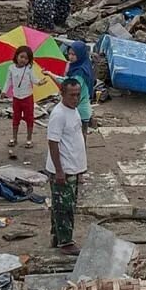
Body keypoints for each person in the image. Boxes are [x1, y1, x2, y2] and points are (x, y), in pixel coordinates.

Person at [45, 75, 89, 253]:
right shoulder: (59, 114)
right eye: (72, 95)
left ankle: (58, 236)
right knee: (64, 207)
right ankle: (66, 242)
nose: (75, 98)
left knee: (65, 204)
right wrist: (59, 171)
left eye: (78, 94)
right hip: (62, 169)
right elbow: (53, 143)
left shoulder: (74, 110)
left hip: (73, 166)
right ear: (63, 94)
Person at [4, 44, 39, 153]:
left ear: (29, 60)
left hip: (27, 97)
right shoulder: (11, 68)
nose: (23, 60)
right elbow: (8, 81)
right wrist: (4, 91)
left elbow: (34, 80)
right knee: (16, 117)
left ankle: (29, 139)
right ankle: (14, 138)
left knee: (29, 117)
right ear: (17, 56)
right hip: (16, 97)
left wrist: (40, 82)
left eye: (26, 58)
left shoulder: (29, 69)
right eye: (21, 57)